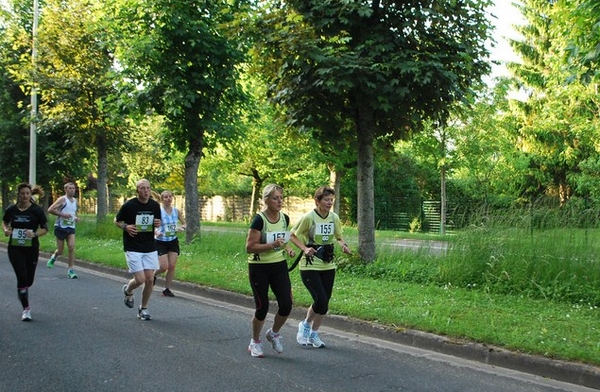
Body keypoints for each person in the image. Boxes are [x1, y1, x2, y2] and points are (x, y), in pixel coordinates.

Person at [289, 185, 351, 348]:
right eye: (326, 200)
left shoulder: (334, 218)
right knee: (320, 299)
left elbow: (338, 236)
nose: (330, 203)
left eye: (331, 200)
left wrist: (343, 245)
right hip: (310, 264)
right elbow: (292, 235)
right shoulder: (309, 217)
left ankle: (314, 334)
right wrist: (304, 248)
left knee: (325, 302)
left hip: (328, 264)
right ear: (317, 201)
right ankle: (305, 326)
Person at [245, 184, 296, 357]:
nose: (279, 201)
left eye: (281, 197)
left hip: (279, 265)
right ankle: (255, 342)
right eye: (275, 198)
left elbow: (281, 239)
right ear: (266, 200)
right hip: (259, 268)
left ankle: (274, 333)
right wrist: (271, 245)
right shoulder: (259, 220)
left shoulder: (284, 218)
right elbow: (250, 247)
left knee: (287, 304)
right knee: (262, 307)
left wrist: (287, 248)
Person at [114, 179, 161, 321]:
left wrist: (158, 223)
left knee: (150, 279)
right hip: (133, 246)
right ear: (137, 191)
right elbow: (116, 220)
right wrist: (125, 227)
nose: (146, 191)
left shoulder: (154, 205)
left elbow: (157, 222)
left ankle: (143, 308)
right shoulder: (129, 205)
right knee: (140, 279)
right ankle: (128, 290)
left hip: (149, 246)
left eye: (148, 188)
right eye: (142, 188)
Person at [2, 183, 49, 321]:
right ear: (18, 194)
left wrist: (34, 234)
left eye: (27, 193)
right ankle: (26, 309)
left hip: (31, 248)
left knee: (29, 280)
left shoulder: (36, 210)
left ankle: (22, 290)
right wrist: (6, 230)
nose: (25, 196)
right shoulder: (11, 209)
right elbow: (5, 222)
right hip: (15, 248)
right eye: (22, 193)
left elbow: (45, 228)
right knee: (21, 276)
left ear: (30, 195)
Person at [153, 190, 186, 297]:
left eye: (170, 197)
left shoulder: (176, 211)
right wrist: (156, 231)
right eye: (166, 197)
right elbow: (151, 225)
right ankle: (153, 275)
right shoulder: (158, 211)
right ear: (162, 199)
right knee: (164, 267)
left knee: (172, 266)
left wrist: (182, 228)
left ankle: (167, 289)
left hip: (172, 240)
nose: (168, 199)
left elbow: (184, 224)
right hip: (160, 241)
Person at [47, 182, 80, 278]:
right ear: (65, 190)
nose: (72, 190)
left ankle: (71, 270)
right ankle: (54, 256)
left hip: (71, 227)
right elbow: (50, 210)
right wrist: (62, 215)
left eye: (73, 188)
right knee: (61, 251)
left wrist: (76, 218)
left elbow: (73, 213)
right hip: (60, 227)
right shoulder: (62, 199)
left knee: (71, 247)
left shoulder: (75, 201)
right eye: (69, 188)